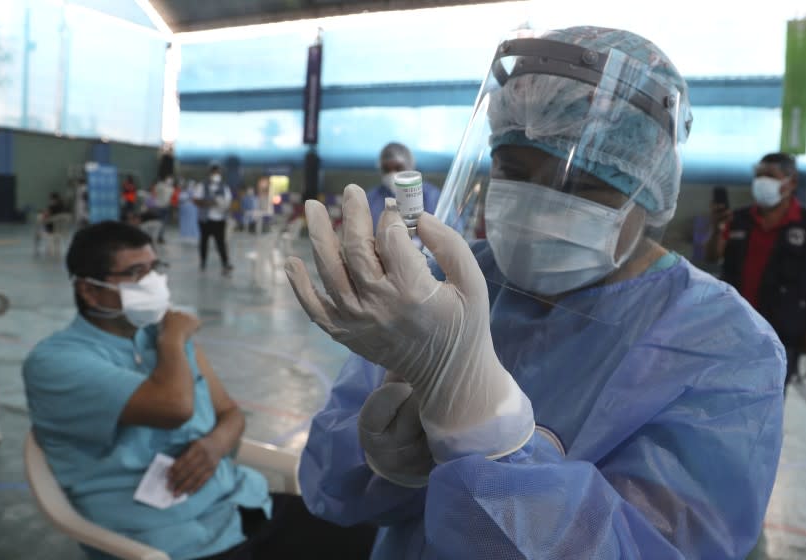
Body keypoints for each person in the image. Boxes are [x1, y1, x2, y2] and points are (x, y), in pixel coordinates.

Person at [284, 26, 785, 559]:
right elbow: (329, 488)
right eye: (515, 171)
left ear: (650, 188)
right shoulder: (440, 284)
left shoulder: (722, 348)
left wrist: (483, 437)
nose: (541, 205)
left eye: (584, 186)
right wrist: (382, 461)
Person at [22, 221, 376, 560]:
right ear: (88, 288)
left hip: (241, 505)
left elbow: (231, 414)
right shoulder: (56, 362)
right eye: (134, 273)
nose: (153, 282)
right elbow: (174, 407)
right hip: (169, 538)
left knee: (374, 538)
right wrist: (175, 337)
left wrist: (215, 445)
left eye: (155, 268)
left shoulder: (158, 335)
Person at [705, 152, 804, 393]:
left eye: (770, 176)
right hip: (736, 324)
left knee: (770, 394)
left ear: (790, 183)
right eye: (758, 175)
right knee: (728, 391)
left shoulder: (802, 223)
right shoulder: (738, 219)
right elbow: (711, 256)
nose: (762, 182)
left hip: (783, 328)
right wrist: (718, 228)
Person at [366, 142, 441, 228]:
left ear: (409, 166)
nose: (392, 174)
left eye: (398, 168)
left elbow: (449, 228)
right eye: (387, 169)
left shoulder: (430, 196)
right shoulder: (372, 199)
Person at [193, 164, 234, 276]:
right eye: (214, 173)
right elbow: (196, 200)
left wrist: (223, 205)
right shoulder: (202, 185)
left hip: (219, 219)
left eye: (218, 173)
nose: (216, 175)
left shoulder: (224, 187)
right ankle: (203, 262)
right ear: (210, 174)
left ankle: (225, 263)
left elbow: (229, 202)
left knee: (220, 242)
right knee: (204, 241)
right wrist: (209, 202)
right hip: (205, 219)